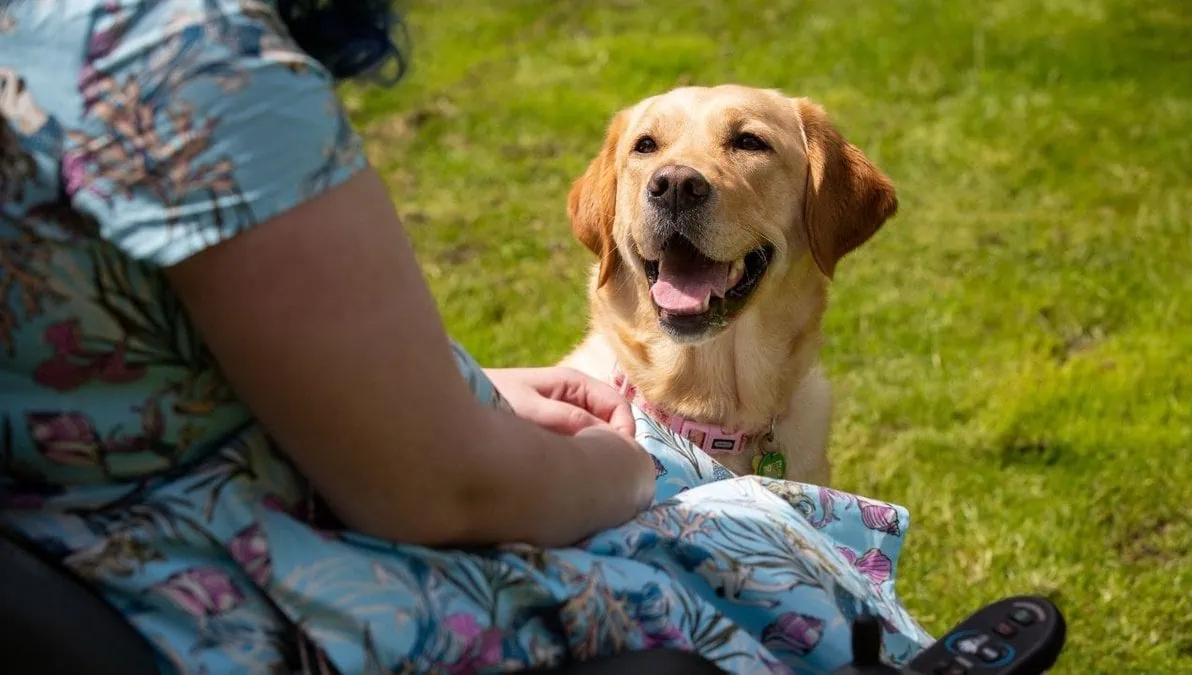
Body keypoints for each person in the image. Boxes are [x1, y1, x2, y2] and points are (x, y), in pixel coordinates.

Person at [0, 1, 933, 673]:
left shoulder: (37, 33)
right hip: (218, 579)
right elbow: (444, 489)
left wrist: (467, 383)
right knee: (741, 599)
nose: (680, 179)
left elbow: (175, 346)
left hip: (90, 539)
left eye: (743, 147)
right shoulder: (192, 59)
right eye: (650, 154)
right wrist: (628, 470)